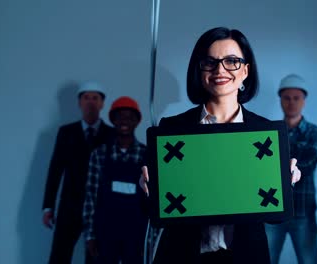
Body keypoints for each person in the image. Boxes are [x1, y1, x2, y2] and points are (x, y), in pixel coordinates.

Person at [139, 27, 301, 264]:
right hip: (183, 255)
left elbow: (274, 217)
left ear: (245, 70)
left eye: (232, 61)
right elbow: (158, 212)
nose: (220, 70)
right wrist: (147, 189)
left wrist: (287, 184)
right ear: (199, 69)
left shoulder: (265, 132)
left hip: (245, 256)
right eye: (210, 62)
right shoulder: (173, 129)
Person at [42, 82, 114, 264]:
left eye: (95, 98)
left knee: (95, 257)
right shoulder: (66, 133)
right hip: (70, 205)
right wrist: (48, 206)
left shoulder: (111, 134)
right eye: (86, 97)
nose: (90, 101)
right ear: (79, 102)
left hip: (100, 207)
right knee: (59, 255)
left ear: (102, 103)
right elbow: (55, 169)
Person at [265, 74, 317, 264]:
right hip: (274, 209)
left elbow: (306, 166)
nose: (291, 103)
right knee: (266, 259)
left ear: (304, 100)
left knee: (308, 261)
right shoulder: (269, 131)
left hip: (302, 212)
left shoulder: (315, 132)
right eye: (286, 98)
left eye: (296, 98)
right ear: (280, 100)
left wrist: (278, 166)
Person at [82, 96, 147, 263]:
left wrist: (151, 238)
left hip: (136, 234)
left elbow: (152, 199)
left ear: (137, 121)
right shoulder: (99, 155)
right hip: (105, 233)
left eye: (129, 117)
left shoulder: (146, 155)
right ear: (113, 120)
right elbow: (90, 197)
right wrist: (90, 236)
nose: (124, 121)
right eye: (120, 117)